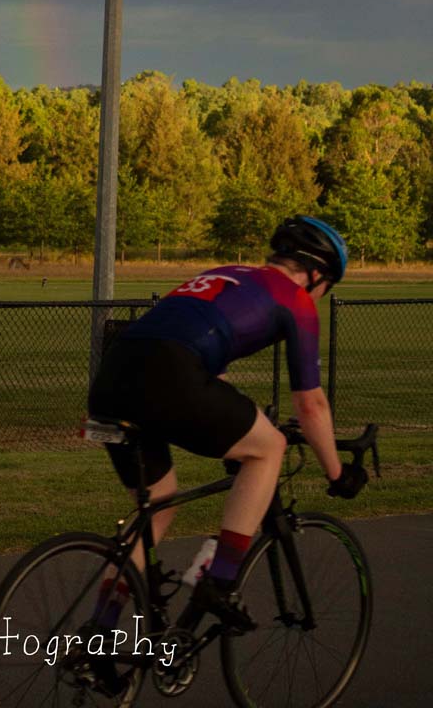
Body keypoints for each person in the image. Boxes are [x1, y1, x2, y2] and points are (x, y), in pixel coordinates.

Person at [87, 215, 367, 635]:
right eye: (328, 287)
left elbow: (191, 349)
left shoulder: (221, 275)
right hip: (170, 374)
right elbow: (311, 404)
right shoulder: (295, 299)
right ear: (315, 274)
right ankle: (220, 583)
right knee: (268, 447)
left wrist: (239, 421)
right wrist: (337, 472)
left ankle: (98, 635)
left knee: (159, 506)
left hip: (112, 377)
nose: (324, 296)